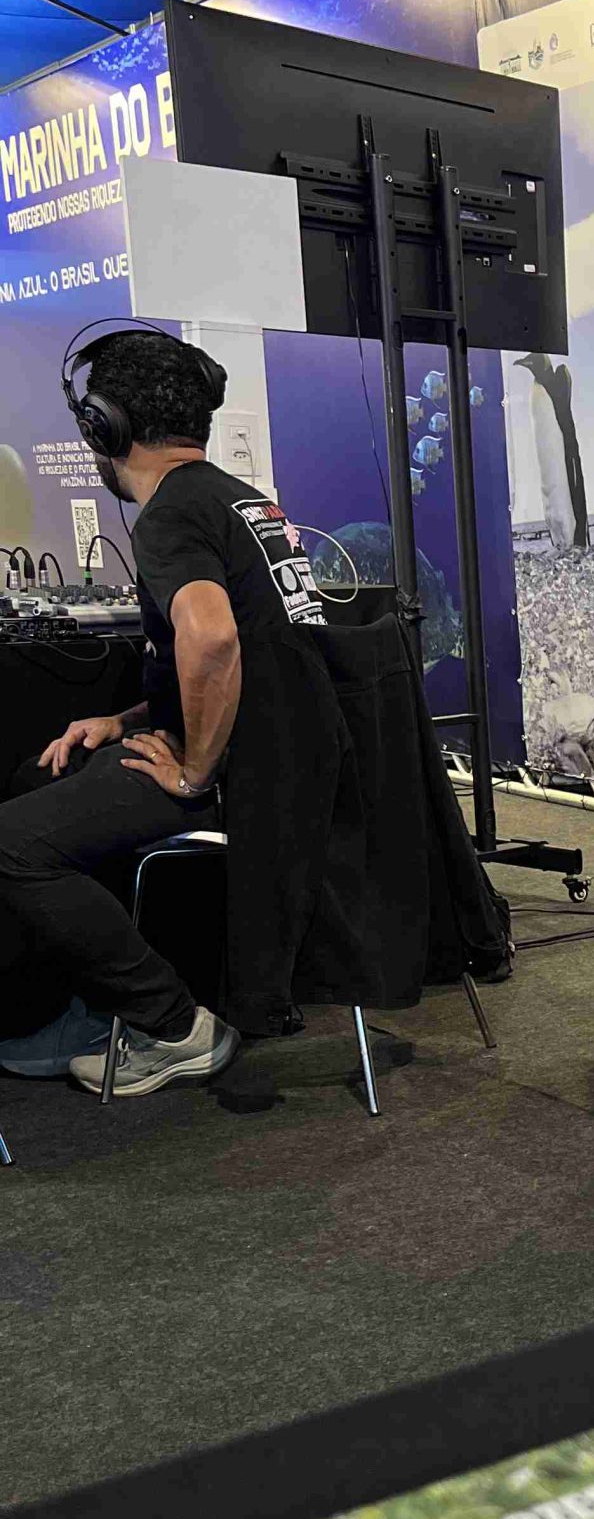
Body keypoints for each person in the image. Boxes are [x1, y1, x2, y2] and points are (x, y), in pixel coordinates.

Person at [0, 328, 327, 1097]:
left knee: (10, 846)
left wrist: (193, 772)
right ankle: (88, 1006)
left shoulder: (170, 514)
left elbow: (213, 640)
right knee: (37, 777)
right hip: (288, 756)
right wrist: (125, 721)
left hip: (246, 775)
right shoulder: (237, 499)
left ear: (105, 427)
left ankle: (174, 1025)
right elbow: (249, 654)